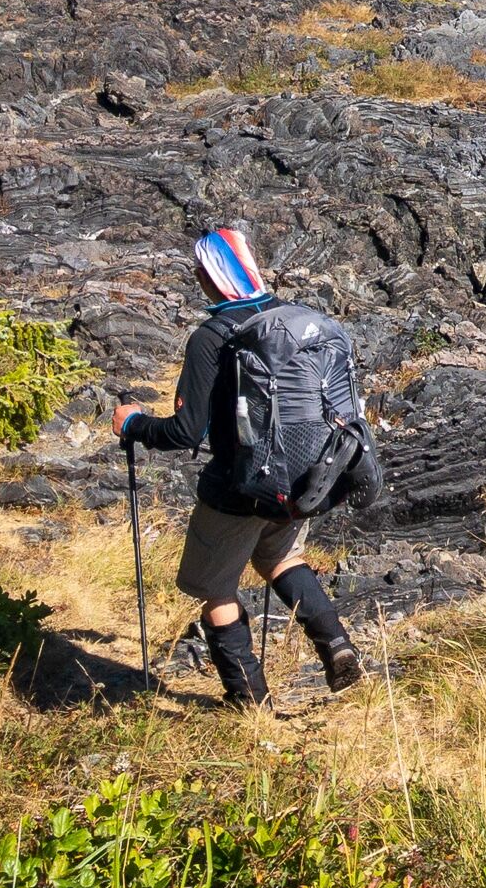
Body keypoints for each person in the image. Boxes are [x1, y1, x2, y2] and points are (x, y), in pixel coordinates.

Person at [112, 227, 365, 705]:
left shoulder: (211, 338)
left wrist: (134, 424)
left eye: (199, 269)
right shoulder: (287, 320)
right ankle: (336, 643)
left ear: (211, 276)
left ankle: (249, 701)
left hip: (238, 488)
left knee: (217, 589)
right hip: (303, 478)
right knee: (278, 558)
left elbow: (185, 433)